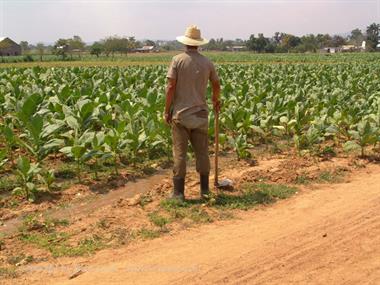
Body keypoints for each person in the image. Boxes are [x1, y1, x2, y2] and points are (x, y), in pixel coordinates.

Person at [164, 25, 221, 200]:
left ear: (185, 43)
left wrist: (167, 110)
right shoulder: (207, 62)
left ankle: (178, 193)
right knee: (202, 152)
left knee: (180, 154)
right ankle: (204, 191)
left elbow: (171, 86)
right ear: (198, 44)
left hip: (181, 115)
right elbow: (216, 84)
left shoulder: (177, 60)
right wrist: (216, 100)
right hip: (201, 115)